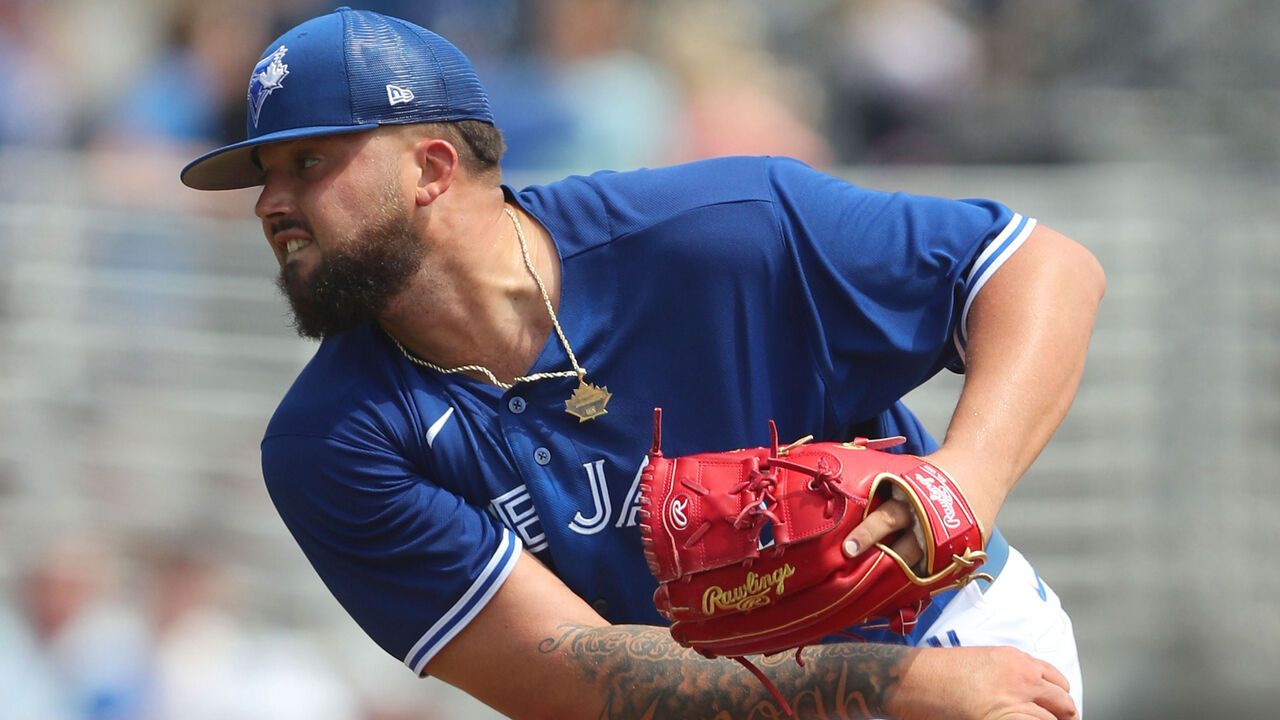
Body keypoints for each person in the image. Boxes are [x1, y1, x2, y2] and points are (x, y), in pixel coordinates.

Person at [180, 8, 1104, 720]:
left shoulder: (716, 229)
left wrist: (966, 479)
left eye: (308, 162)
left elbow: (1040, 267)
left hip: (948, 629)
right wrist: (893, 691)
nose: (271, 202)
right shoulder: (331, 442)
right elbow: (578, 676)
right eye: (264, 173)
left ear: (430, 168)